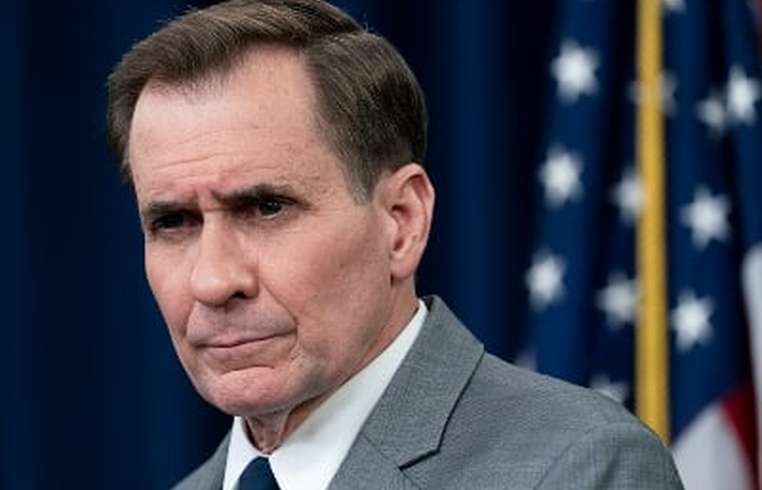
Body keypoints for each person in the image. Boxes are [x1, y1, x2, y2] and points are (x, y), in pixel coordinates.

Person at [106, 1, 684, 488]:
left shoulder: (574, 465)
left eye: (266, 208)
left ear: (401, 222)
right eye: (174, 222)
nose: (212, 280)